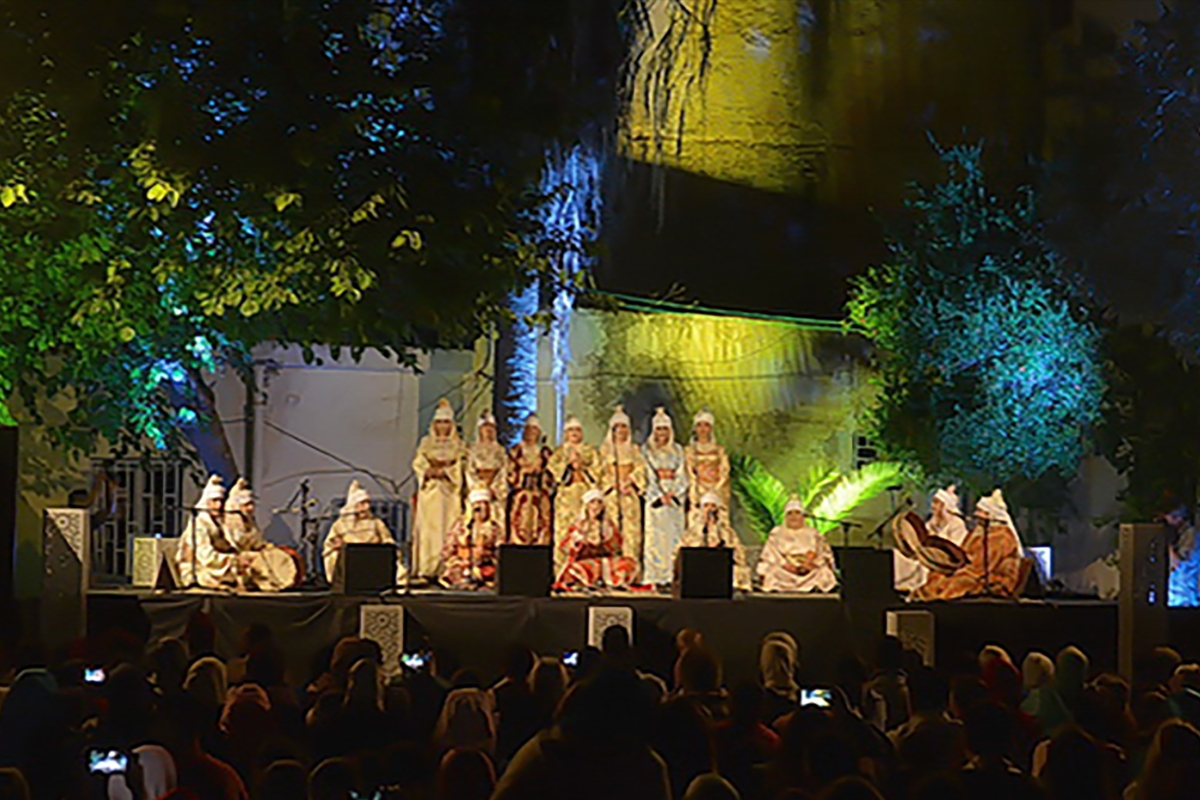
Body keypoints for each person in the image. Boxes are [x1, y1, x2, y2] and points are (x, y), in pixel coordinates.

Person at [917, 489, 1024, 601]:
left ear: (990, 515)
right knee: (937, 575)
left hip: (992, 579)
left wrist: (961, 572)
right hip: (972, 571)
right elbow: (964, 553)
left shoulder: (1002, 536)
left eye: (980, 511)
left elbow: (983, 565)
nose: (976, 514)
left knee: (960, 582)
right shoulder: (978, 531)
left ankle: (942, 605)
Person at [412, 398, 466, 580]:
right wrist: (428, 471)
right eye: (439, 422)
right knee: (430, 530)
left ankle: (448, 568)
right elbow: (418, 463)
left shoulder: (458, 445)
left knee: (449, 527)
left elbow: (462, 465)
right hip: (431, 492)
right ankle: (428, 568)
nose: (443, 426)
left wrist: (447, 472)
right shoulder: (426, 443)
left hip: (450, 492)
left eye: (446, 422)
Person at [322, 479, 406, 585]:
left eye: (367, 503)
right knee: (334, 556)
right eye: (362, 503)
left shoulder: (376, 522)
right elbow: (329, 543)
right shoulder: (340, 524)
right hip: (350, 558)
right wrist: (338, 544)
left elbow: (388, 540)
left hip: (373, 557)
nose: (366, 507)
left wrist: (382, 546)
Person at [224, 478, 299, 592]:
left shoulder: (250, 522)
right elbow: (230, 547)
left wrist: (269, 548)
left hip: (251, 556)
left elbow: (258, 543)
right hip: (235, 559)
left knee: (272, 557)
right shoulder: (228, 524)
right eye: (247, 505)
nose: (251, 508)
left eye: (252, 504)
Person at [642, 407, 689, 588]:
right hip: (655, 497)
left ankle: (672, 575)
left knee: (674, 537)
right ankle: (655, 576)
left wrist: (674, 493)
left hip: (674, 497)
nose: (662, 433)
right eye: (658, 429)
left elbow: (682, 474)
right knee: (655, 537)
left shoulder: (677, 450)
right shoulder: (646, 450)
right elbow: (647, 475)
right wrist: (658, 496)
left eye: (665, 429)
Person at [556, 489, 639, 591]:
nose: (596, 506)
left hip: (605, 560)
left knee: (628, 563)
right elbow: (565, 547)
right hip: (585, 562)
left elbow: (616, 546)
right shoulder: (579, 525)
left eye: (599, 502)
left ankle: (613, 583)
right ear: (586, 506)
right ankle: (588, 582)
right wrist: (579, 542)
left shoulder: (608, 525)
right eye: (592, 502)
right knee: (579, 568)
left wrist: (607, 542)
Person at [548, 416, 600, 575]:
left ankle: (585, 573)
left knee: (585, 534)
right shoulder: (559, 452)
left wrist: (582, 467)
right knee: (564, 534)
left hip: (584, 495)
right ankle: (561, 573)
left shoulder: (589, 450)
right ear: (565, 433)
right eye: (571, 430)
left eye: (577, 430)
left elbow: (598, 472)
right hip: (566, 497)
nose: (574, 433)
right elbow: (553, 471)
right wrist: (568, 466)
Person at [599, 405, 647, 573]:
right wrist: (612, 482)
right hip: (611, 495)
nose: (620, 431)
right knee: (611, 533)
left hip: (628, 494)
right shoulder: (604, 450)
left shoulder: (634, 450)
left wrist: (630, 481)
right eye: (617, 427)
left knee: (631, 534)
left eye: (624, 427)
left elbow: (641, 468)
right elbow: (598, 473)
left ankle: (631, 573)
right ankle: (612, 573)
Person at [757, 495, 838, 593]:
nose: (793, 517)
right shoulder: (777, 533)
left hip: (809, 568)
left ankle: (814, 589)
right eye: (790, 513)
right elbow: (770, 553)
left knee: (822, 572)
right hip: (785, 568)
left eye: (797, 513)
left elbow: (823, 553)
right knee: (773, 572)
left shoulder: (813, 533)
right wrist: (785, 564)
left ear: (803, 516)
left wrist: (810, 563)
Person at [895, 485, 968, 593]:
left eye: (937, 503)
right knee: (900, 556)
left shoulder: (957, 524)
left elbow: (955, 548)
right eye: (933, 502)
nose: (933, 506)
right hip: (929, 555)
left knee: (922, 566)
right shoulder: (932, 522)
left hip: (946, 561)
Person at [177, 475, 239, 590]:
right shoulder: (199, 523)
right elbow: (205, 556)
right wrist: (233, 560)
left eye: (221, 501)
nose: (219, 505)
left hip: (217, 565)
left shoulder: (220, 522)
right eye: (214, 501)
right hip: (199, 568)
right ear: (207, 502)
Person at [679, 493, 750, 591]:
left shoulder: (726, 531)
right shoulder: (692, 531)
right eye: (706, 505)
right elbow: (683, 549)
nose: (709, 509)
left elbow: (737, 550)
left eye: (712, 506)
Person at [439, 489, 502, 591]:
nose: (482, 508)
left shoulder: (494, 528)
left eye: (485, 504)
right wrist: (457, 559)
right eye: (479, 504)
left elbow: (500, 550)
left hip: (484, 565)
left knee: (490, 574)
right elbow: (448, 548)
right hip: (463, 563)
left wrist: (485, 555)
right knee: (455, 572)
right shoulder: (461, 525)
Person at [508, 415, 554, 546]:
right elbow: (510, 472)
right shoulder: (516, 450)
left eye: (534, 430)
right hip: (521, 492)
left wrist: (542, 472)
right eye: (528, 430)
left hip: (539, 492)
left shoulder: (545, 452)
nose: (530, 433)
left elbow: (553, 473)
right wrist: (523, 472)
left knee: (542, 521)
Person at [684, 410, 730, 528]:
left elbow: (725, 471)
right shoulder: (689, 450)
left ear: (711, 428)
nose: (702, 429)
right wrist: (698, 489)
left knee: (718, 519)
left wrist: (716, 488)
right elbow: (689, 471)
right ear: (695, 428)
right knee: (697, 519)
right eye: (699, 425)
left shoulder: (719, 450)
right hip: (698, 488)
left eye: (706, 425)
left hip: (717, 488)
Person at [465, 411, 508, 505]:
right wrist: (479, 487)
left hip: (495, 492)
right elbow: (469, 470)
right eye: (485, 426)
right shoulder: (471, 449)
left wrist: (495, 488)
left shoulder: (500, 450)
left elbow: (504, 471)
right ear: (480, 429)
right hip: (477, 492)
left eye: (491, 427)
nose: (488, 430)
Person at [1164, 506, 1200, 607]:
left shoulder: (1191, 535)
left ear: (1178, 517)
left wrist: (1167, 544)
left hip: (1184, 597)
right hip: (1177, 595)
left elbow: (1179, 563)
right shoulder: (1182, 535)